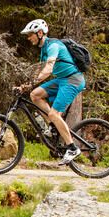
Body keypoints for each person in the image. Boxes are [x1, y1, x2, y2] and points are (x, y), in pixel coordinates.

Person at [16, 19, 86, 165]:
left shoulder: (53, 45)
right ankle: (53, 125)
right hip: (62, 80)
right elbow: (38, 72)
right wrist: (25, 86)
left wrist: (33, 82)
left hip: (72, 80)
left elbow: (48, 70)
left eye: (30, 35)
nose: (28, 38)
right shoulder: (44, 50)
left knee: (54, 113)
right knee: (35, 94)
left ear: (40, 33)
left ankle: (72, 148)